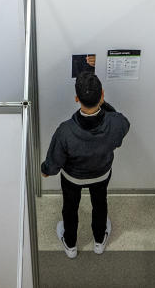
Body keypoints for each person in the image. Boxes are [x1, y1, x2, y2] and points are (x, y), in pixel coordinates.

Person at [41, 73, 130, 259]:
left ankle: (71, 245)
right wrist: (102, 103)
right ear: (102, 95)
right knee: (100, 205)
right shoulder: (116, 123)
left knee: (70, 208)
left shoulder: (65, 130)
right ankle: (99, 241)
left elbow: (54, 163)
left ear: (76, 99)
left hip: (72, 179)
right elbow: (122, 122)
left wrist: (46, 170)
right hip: (101, 175)